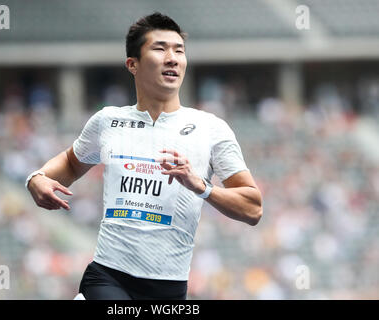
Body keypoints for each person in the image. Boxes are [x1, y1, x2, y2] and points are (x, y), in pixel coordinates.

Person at [26, 12, 263, 300]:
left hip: (169, 286)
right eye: (160, 48)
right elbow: (70, 163)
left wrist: (200, 186)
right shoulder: (107, 121)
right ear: (132, 64)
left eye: (179, 50)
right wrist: (36, 178)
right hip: (109, 275)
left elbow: (253, 208)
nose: (173, 58)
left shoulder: (211, 129)